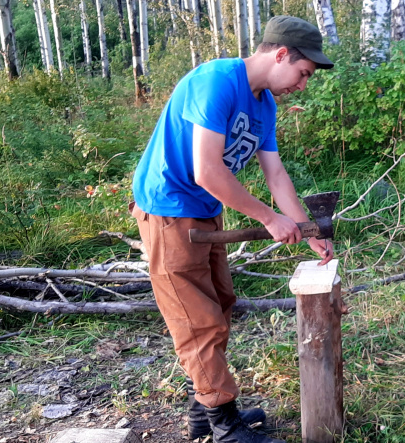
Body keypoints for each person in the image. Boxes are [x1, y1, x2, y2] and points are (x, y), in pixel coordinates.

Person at [129, 15, 334, 443]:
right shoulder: (216, 81)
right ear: (281, 55)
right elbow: (206, 171)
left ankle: (203, 413)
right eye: (302, 73)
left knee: (220, 305)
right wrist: (268, 218)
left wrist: (307, 228)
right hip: (168, 209)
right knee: (197, 322)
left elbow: (275, 174)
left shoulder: (264, 105)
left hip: (205, 212)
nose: (302, 85)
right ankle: (224, 427)